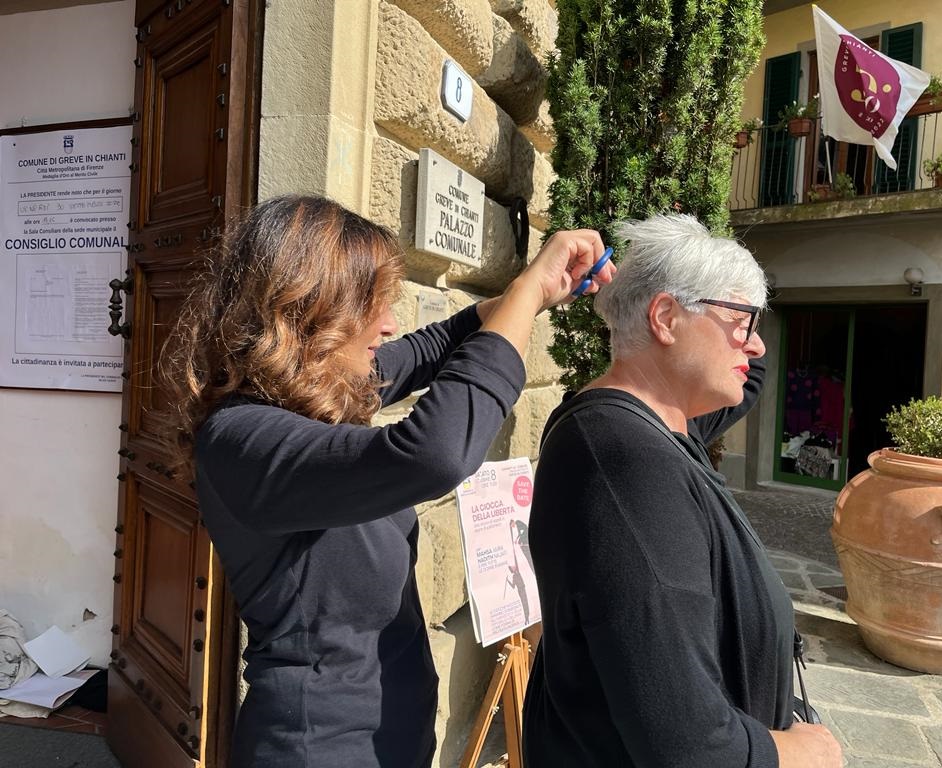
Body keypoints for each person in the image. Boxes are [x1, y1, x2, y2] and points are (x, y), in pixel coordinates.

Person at [160, 195, 612, 768]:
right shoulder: (240, 439)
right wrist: (525, 291)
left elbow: (422, 352)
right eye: (370, 306)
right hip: (318, 749)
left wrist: (531, 297)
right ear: (305, 312)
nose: (390, 324)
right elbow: (434, 453)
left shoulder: (314, 398)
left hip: (390, 736)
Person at [522, 213, 842, 768]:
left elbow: (751, 374)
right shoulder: (624, 458)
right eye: (743, 319)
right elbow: (687, 743)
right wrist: (803, 755)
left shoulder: (667, 427)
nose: (757, 344)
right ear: (667, 317)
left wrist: (628, 295)